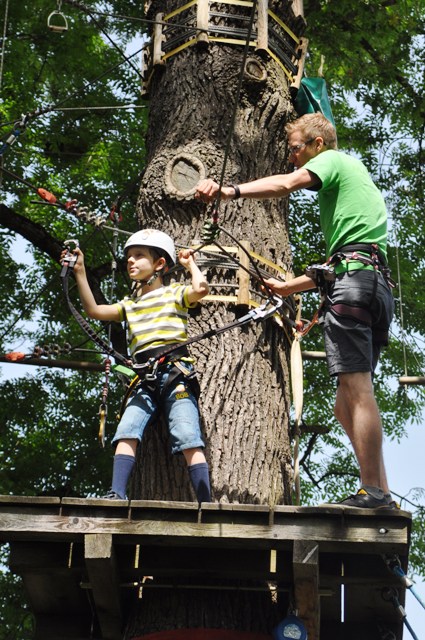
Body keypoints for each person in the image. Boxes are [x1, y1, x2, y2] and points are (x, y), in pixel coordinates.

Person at [196, 112, 396, 509]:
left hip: (354, 284)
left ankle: (373, 493)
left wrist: (227, 191)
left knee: (357, 390)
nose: (293, 158)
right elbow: (342, 264)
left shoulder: (332, 160)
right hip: (370, 283)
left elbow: (287, 184)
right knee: (345, 402)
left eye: (295, 148)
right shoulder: (354, 191)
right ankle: (381, 491)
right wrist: (290, 287)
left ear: (317, 144)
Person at [64, 229, 211, 503]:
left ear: (160, 264)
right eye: (129, 257)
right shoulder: (128, 305)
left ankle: (206, 501)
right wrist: (80, 272)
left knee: (187, 432)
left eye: (139, 256)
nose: (131, 262)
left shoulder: (174, 294)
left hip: (175, 374)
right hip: (144, 378)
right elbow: (95, 310)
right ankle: (116, 493)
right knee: (127, 430)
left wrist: (190, 264)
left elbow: (200, 290)